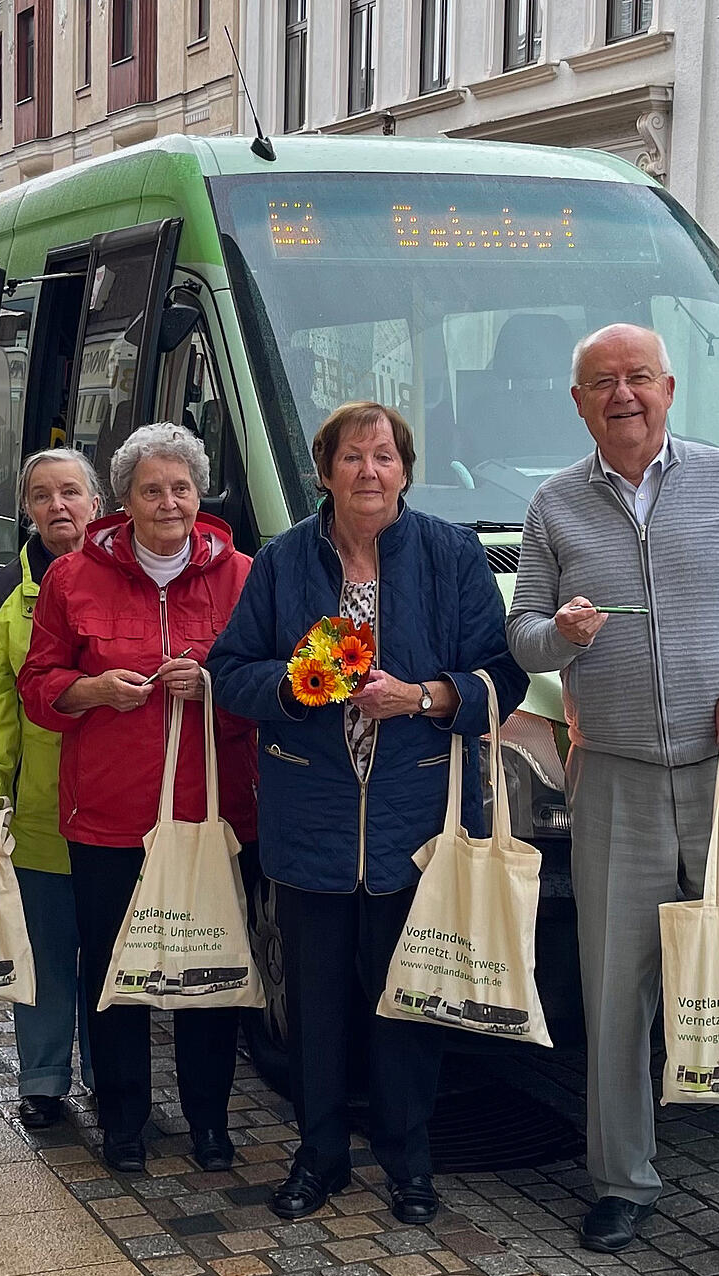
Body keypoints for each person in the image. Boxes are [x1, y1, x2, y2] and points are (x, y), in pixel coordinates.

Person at [507, 324, 719, 1276]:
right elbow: (521, 634)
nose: (623, 395)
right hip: (613, 777)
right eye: (601, 382)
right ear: (577, 402)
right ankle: (621, 1181)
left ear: (669, 386)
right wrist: (557, 634)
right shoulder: (554, 505)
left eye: (638, 377)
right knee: (616, 989)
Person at [208, 402, 527, 1225]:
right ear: (325, 472)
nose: (370, 472)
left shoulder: (450, 554)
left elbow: (501, 677)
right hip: (308, 817)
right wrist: (295, 681)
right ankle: (319, 1156)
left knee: (406, 1003)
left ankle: (408, 1161)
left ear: (405, 471)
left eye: (385, 456)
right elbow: (230, 672)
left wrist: (422, 696)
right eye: (353, 457)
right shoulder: (282, 560)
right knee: (314, 1010)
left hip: (412, 820)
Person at [18, 423, 256, 1175]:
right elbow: (37, 687)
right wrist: (86, 690)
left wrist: (215, 685)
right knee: (114, 973)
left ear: (200, 493)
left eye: (181, 487)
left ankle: (209, 1122)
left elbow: (271, 687)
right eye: (151, 490)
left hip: (210, 815)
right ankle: (123, 1119)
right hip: (109, 818)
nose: (168, 502)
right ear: (122, 500)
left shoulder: (243, 574)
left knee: (207, 974)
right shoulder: (72, 578)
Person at [0, 450, 103, 1129]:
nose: (58, 506)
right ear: (28, 511)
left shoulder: (126, 580)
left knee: (110, 957)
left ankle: (113, 1077)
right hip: (41, 811)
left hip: (119, 814)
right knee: (42, 957)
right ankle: (43, 1083)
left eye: (71, 491)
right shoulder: (1, 596)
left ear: (96, 503)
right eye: (43, 496)